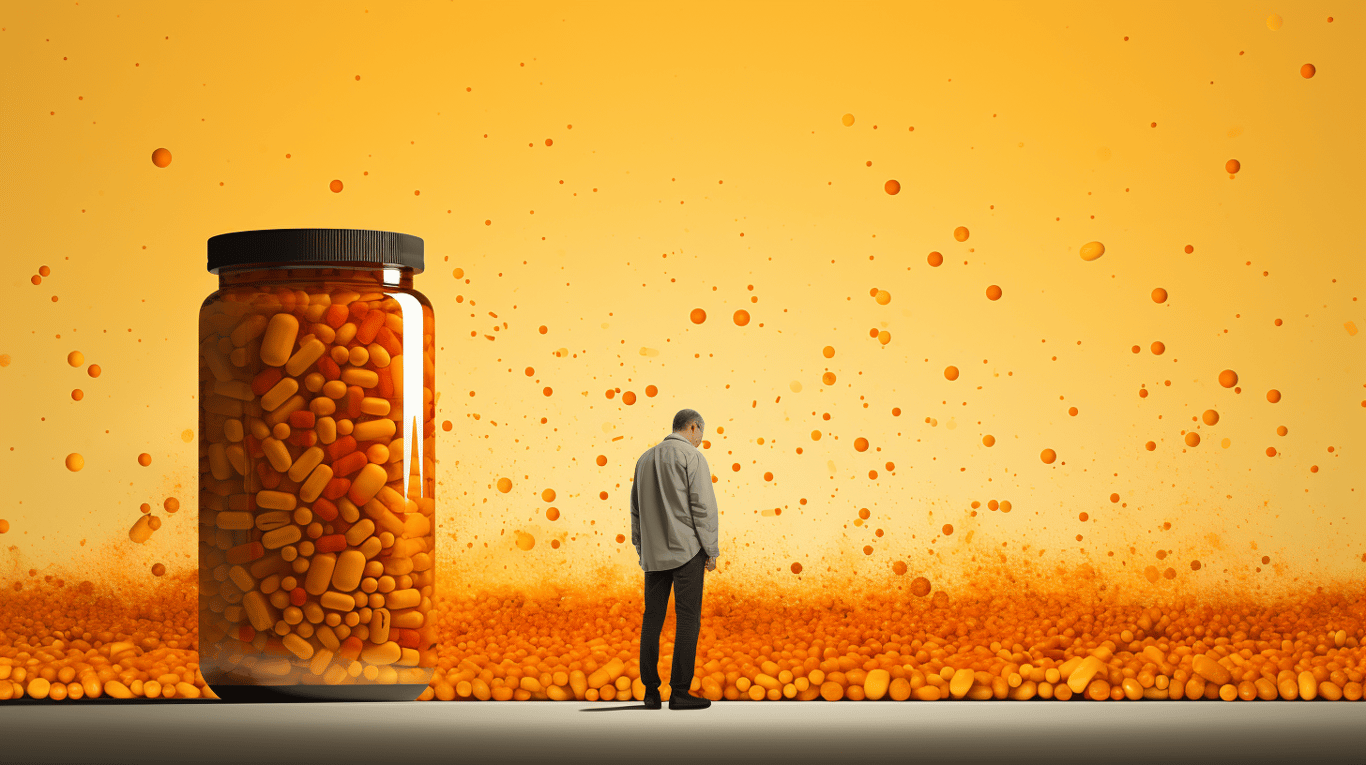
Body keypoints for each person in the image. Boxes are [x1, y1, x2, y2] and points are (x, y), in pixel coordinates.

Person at [630, 408, 720, 710]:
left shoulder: (644, 459)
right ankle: (680, 693)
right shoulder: (691, 457)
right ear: (693, 427)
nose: (700, 442)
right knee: (687, 621)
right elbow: (703, 508)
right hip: (687, 552)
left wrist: (643, 549)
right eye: (701, 435)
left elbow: (636, 511)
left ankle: (650, 693)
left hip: (654, 554)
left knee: (651, 620)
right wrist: (710, 550)